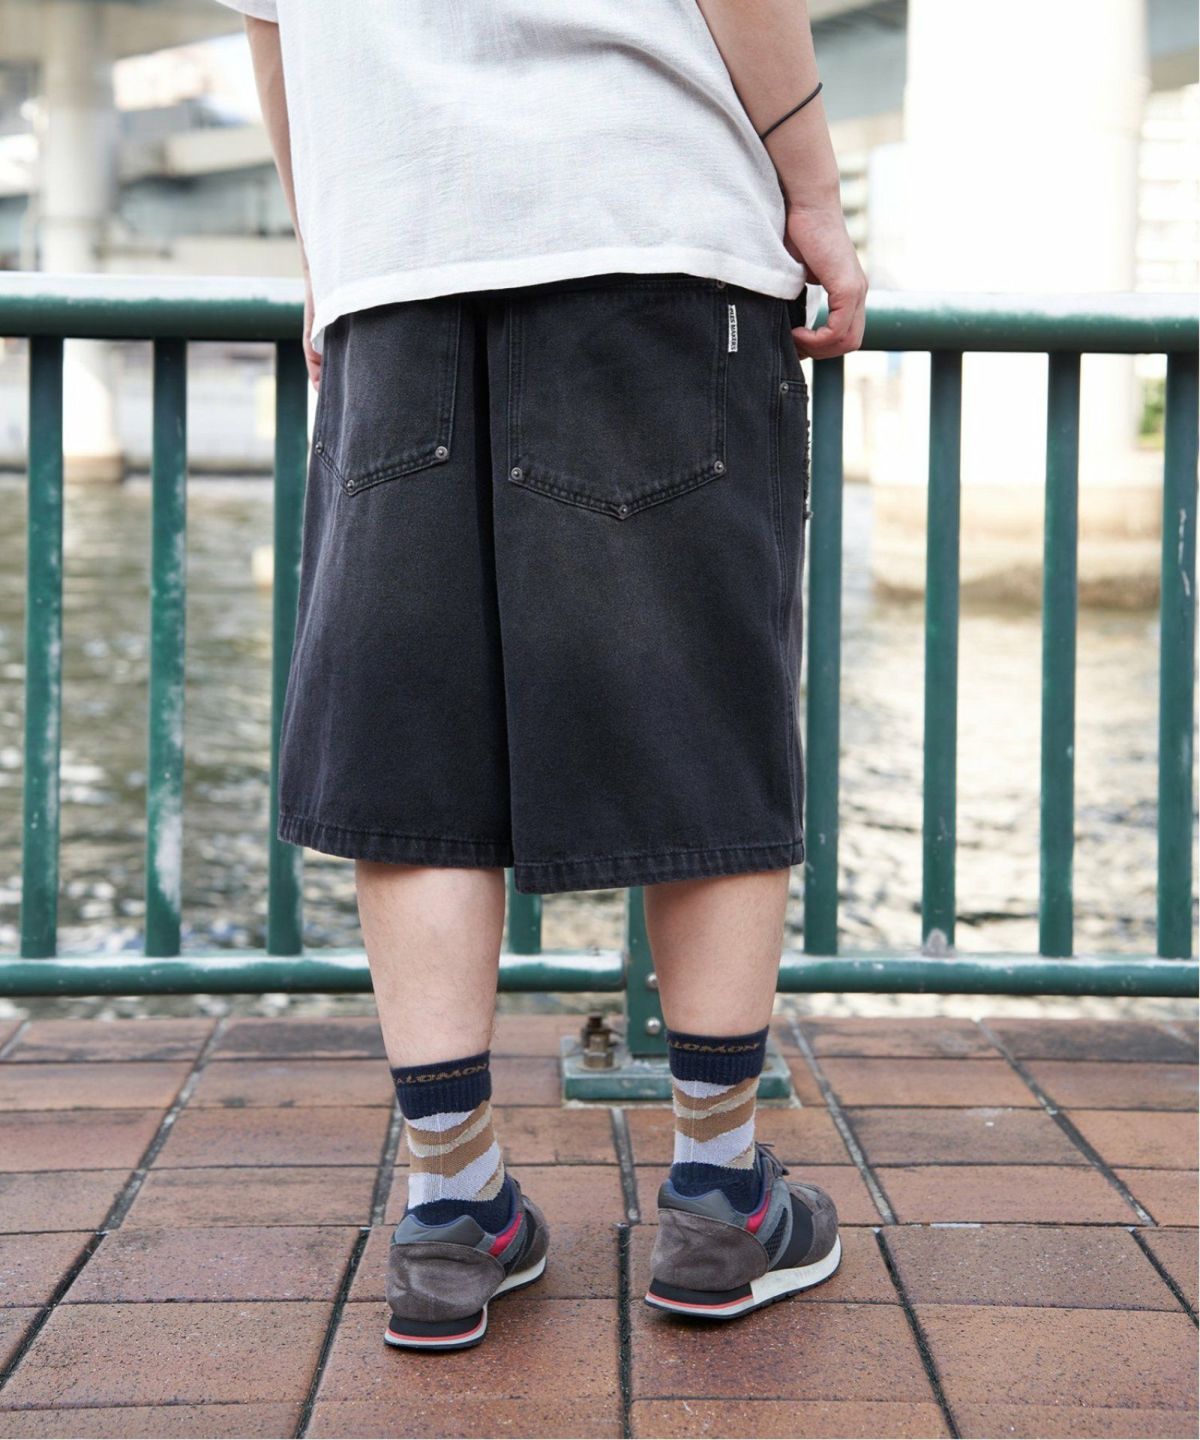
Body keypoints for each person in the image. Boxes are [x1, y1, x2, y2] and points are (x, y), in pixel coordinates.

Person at [222, 0, 866, 1350]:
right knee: (698, 717)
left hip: (395, 256)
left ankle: (451, 1208)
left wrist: (328, 249)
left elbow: (275, 31)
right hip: (648, 227)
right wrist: (814, 194)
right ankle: (718, 1197)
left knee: (412, 745)